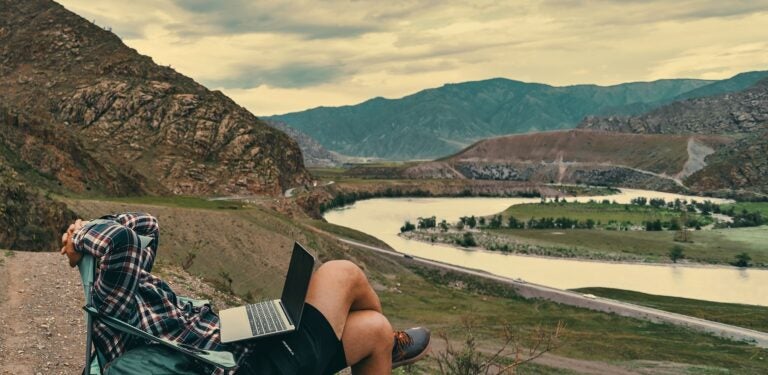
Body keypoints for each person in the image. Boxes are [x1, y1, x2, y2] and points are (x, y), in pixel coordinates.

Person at [60, 212, 430, 374]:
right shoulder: (113, 298)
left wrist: (85, 230)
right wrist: (77, 237)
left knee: (374, 331)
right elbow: (122, 238)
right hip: (245, 368)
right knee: (342, 272)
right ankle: (395, 348)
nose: (139, 254)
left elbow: (146, 225)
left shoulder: (130, 279)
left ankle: (389, 345)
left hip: (239, 349)